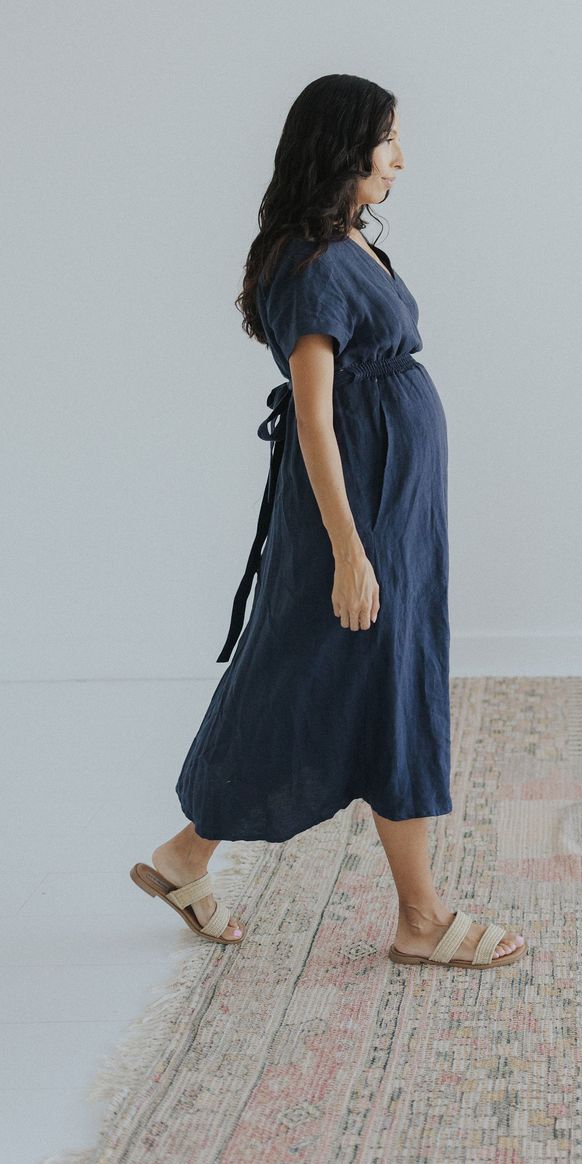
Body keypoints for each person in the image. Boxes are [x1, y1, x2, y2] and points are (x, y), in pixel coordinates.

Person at [130, 75, 525, 971]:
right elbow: (314, 418)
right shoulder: (310, 264)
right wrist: (350, 550)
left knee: (321, 676)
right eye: (387, 139)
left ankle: (186, 856)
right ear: (344, 148)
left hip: (396, 500)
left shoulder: (343, 244)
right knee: (360, 679)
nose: (399, 157)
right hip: (363, 510)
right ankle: (420, 917)